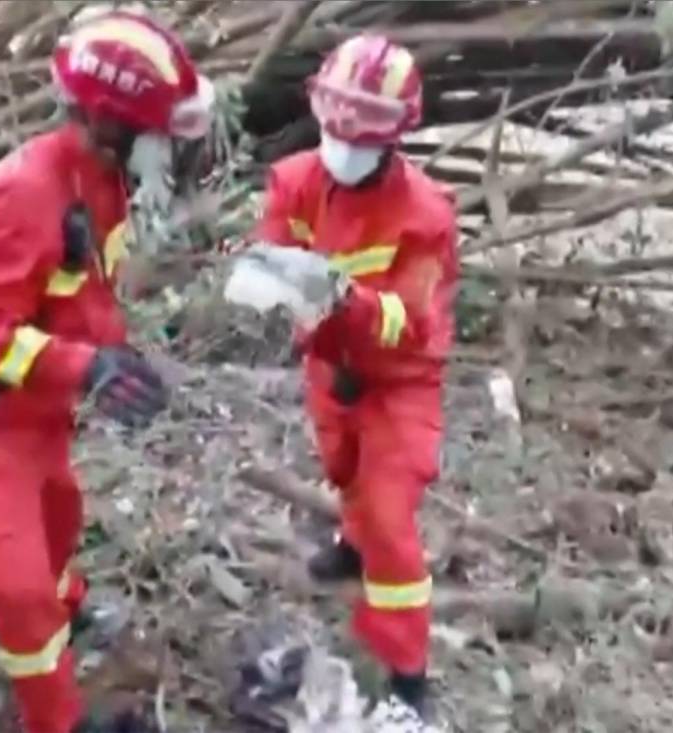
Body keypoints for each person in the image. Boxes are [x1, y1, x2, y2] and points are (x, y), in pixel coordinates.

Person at [0, 10, 213, 733]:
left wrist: (114, 359)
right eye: (156, 133)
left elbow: (81, 294)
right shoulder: (27, 194)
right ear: (110, 122)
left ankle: (68, 604)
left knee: (57, 518)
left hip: (37, 412)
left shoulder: (97, 180)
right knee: (18, 589)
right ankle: (56, 715)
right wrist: (87, 368)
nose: (166, 149)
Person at [250, 34, 458, 733]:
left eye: (357, 132)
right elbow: (273, 250)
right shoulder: (295, 180)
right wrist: (270, 281)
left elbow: (412, 316)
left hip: (399, 382)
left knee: (392, 520)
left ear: (393, 136)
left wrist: (348, 301)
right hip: (328, 368)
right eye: (333, 128)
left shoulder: (425, 213)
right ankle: (351, 541)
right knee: (344, 471)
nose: (340, 145)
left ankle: (407, 679)